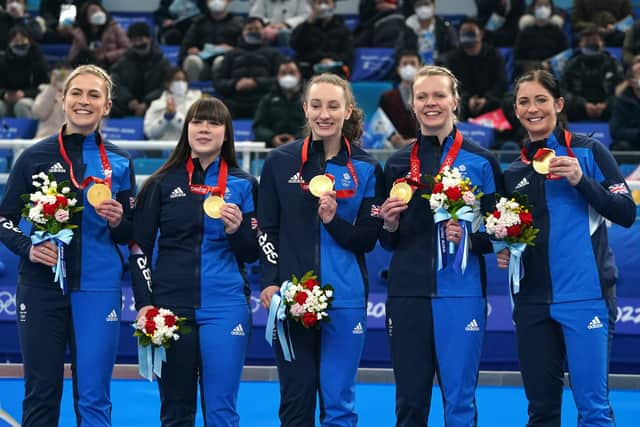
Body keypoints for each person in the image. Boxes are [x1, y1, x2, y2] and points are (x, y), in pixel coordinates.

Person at [0, 64, 135, 426]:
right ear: (62, 99)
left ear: (107, 106)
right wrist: (27, 247)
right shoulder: (33, 157)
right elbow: (4, 219)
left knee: (94, 396)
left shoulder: (121, 162)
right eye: (77, 93)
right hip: (41, 287)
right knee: (41, 393)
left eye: (94, 95)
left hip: (98, 287)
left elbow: (130, 233)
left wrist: (119, 220)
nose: (84, 101)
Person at [498, 69, 635, 427]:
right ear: (516, 110)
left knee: (593, 410)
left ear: (558, 104)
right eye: (524, 102)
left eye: (541, 99)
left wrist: (579, 179)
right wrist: (505, 246)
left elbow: (625, 213)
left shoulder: (590, 152)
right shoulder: (513, 171)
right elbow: (511, 231)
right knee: (541, 412)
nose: (533, 108)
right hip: (530, 302)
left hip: (586, 296)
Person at [258, 73, 384, 426]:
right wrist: (270, 280)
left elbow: (366, 239)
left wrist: (332, 221)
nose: (324, 114)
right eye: (316, 105)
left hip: (345, 298)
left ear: (348, 111)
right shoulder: (279, 162)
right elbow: (267, 230)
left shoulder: (368, 168)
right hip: (292, 297)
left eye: (333, 106)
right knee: (296, 402)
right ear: (305, 109)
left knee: (339, 402)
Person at [379, 65, 502, 426]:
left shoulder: (482, 161)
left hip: (461, 294)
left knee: (460, 402)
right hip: (406, 294)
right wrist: (389, 223)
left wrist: (470, 237)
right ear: (413, 105)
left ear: (455, 101)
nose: (430, 103)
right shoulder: (398, 163)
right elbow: (387, 241)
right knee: (410, 403)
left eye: (438, 95)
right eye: (422, 97)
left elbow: (502, 230)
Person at [130, 97, 258, 426]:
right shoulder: (160, 183)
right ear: (186, 129)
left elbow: (252, 252)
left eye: (214, 123)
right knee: (176, 411)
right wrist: (145, 303)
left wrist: (235, 230)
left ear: (226, 134)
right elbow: (139, 249)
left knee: (221, 411)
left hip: (225, 306)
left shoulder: (244, 184)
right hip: (171, 307)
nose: (204, 128)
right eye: (197, 121)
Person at [213, 16, 286, 118]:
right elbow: (218, 82)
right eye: (249, 29)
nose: (253, 32)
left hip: (263, 100)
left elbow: (281, 80)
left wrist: (256, 82)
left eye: (257, 29)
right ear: (243, 32)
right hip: (234, 101)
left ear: (263, 31)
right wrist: (235, 84)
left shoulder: (274, 54)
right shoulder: (231, 54)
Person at [440, 17, 507, 121]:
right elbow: (450, 84)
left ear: (481, 34)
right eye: (464, 32)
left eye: (471, 32)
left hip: (490, 101)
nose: (467, 35)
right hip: (462, 102)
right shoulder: (452, 58)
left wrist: (486, 99)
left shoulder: (494, 56)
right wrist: (468, 99)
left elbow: (501, 83)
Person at [561, 25, 624, 122]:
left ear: (602, 43)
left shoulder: (613, 63)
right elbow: (562, 91)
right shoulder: (571, 63)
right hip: (576, 111)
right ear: (580, 44)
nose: (591, 44)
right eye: (587, 41)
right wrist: (582, 105)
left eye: (594, 40)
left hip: (609, 111)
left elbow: (622, 89)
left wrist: (606, 104)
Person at [109, 22, 172, 118]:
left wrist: (147, 103)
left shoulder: (163, 63)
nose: (138, 44)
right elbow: (113, 81)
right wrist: (129, 101)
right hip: (127, 107)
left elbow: (167, 86)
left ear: (149, 39)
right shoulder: (123, 62)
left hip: (154, 108)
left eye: (141, 39)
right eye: (134, 40)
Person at [179, 0, 244, 82]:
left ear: (228, 1)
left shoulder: (238, 23)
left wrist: (232, 50)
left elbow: (245, 50)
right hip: (203, 64)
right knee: (192, 60)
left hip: (227, 66)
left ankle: (223, 91)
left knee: (220, 61)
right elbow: (185, 47)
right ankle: (193, 91)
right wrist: (191, 51)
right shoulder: (198, 23)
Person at [289, 0, 354, 79]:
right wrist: (308, 23)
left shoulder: (343, 30)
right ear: (313, 6)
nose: (323, 7)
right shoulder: (305, 27)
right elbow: (295, 45)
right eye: (319, 3)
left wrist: (330, 60)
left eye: (326, 3)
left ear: (333, 5)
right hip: (310, 68)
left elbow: (347, 54)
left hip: (333, 68)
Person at [252, 59, 306, 148]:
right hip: (271, 148)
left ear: (299, 75)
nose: (288, 76)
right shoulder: (267, 99)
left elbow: (312, 126)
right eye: (283, 73)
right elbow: (258, 126)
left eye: (292, 73)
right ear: (278, 76)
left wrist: (296, 138)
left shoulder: (308, 99)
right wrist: (272, 138)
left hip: (301, 147)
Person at [0, 26, 49, 118]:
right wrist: (4, 94)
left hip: (32, 99)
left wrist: (25, 94)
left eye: (22, 40)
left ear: (29, 41)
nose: (19, 44)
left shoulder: (38, 61)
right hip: (7, 100)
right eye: (15, 41)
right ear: (9, 43)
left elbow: (44, 87)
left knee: (21, 105)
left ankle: (27, 132)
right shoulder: (3, 61)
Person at [144, 67, 203, 141]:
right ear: (167, 83)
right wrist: (165, 118)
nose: (181, 83)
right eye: (177, 80)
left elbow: (197, 131)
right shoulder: (156, 104)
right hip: (161, 148)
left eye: (184, 80)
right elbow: (150, 133)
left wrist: (175, 116)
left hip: (187, 148)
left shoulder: (197, 103)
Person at [513, 0, 568, 77]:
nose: (543, 8)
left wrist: (550, 65)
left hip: (552, 74)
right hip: (529, 74)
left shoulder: (558, 32)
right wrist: (532, 66)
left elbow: (564, 56)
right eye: (539, 5)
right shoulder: (525, 32)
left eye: (546, 5)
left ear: (551, 8)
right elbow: (517, 59)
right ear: (533, 8)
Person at [67, 1, 130, 68]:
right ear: (86, 16)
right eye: (93, 11)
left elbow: (128, 49)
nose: (98, 13)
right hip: (88, 67)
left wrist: (107, 57)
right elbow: (72, 58)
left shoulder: (114, 28)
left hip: (111, 65)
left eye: (100, 10)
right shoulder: (80, 33)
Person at [378, 50, 421, 147]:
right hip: (394, 147)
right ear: (398, 69)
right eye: (405, 64)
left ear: (420, 68)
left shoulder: (428, 97)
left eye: (413, 64)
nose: (408, 67)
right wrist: (393, 138)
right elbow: (381, 123)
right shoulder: (387, 97)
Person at [401, 0, 458, 65]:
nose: (423, 8)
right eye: (419, 5)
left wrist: (440, 59)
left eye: (426, 4)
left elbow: (455, 50)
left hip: (440, 67)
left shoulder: (445, 26)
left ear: (433, 5)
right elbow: (400, 51)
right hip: (415, 67)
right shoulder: (407, 27)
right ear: (414, 7)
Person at [609, 55, 640, 150]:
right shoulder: (622, 100)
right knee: (620, 146)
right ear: (631, 80)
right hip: (632, 144)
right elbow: (616, 131)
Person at [32, 65, 70, 139]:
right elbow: (40, 113)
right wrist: (52, 87)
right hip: (44, 138)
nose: (62, 77)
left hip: (67, 141)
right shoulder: (45, 92)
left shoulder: (78, 96)